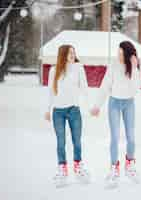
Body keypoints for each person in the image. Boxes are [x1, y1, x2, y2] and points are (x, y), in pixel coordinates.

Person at [90, 41, 141, 184]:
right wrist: (97, 105)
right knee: (114, 137)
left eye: (121, 53)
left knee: (131, 138)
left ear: (127, 53)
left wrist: (134, 67)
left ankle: (130, 164)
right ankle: (114, 167)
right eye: (117, 52)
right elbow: (105, 86)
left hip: (129, 103)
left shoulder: (135, 67)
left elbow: (137, 87)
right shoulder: (113, 66)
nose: (118, 55)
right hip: (114, 103)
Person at [44, 44, 90, 184]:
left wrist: (90, 106)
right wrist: (48, 109)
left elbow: (84, 88)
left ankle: (78, 167)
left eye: (73, 52)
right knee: (61, 142)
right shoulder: (54, 71)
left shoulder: (78, 68)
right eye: (70, 52)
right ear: (63, 54)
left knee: (77, 141)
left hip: (74, 110)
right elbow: (51, 91)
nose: (72, 55)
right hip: (58, 112)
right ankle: (62, 169)